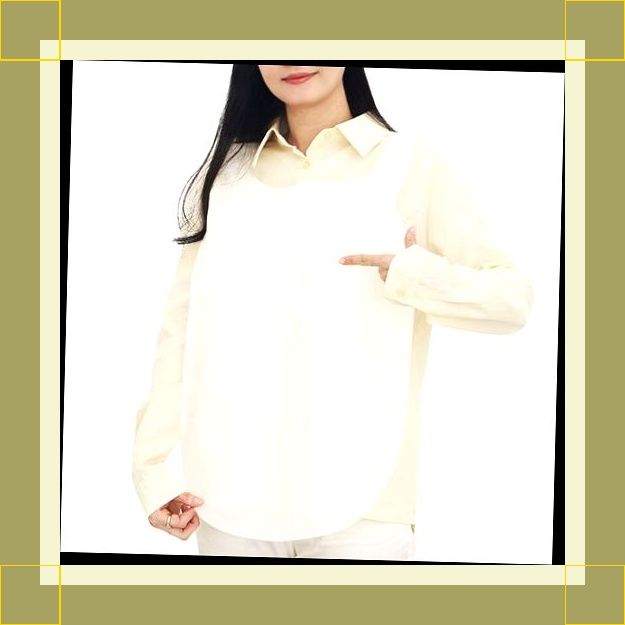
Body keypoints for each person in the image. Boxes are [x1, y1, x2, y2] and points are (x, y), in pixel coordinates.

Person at [131, 64, 533, 560]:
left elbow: (510, 300)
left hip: (364, 505)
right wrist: (153, 472)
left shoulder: (411, 165)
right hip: (227, 497)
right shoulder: (225, 175)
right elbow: (180, 331)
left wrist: (411, 273)